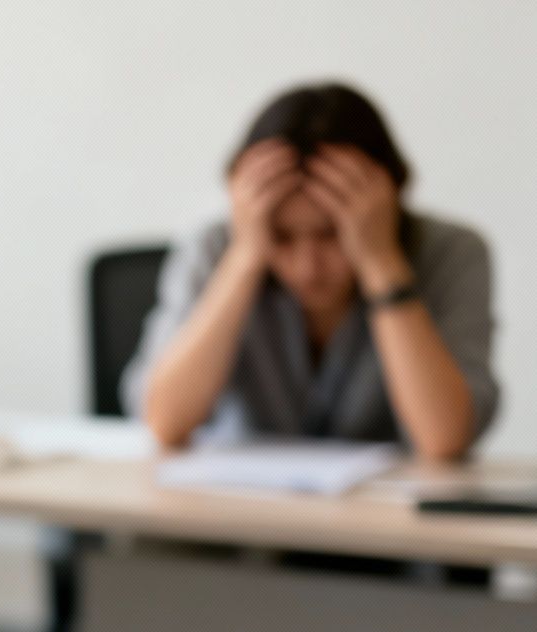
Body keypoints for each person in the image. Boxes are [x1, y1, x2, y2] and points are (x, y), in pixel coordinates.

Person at [123, 82, 500, 461]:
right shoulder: (218, 247)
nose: (308, 267)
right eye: (283, 236)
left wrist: (380, 261)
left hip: (382, 515)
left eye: (332, 234)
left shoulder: (452, 253)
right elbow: (164, 422)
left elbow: (444, 439)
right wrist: (246, 257)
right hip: (236, 509)